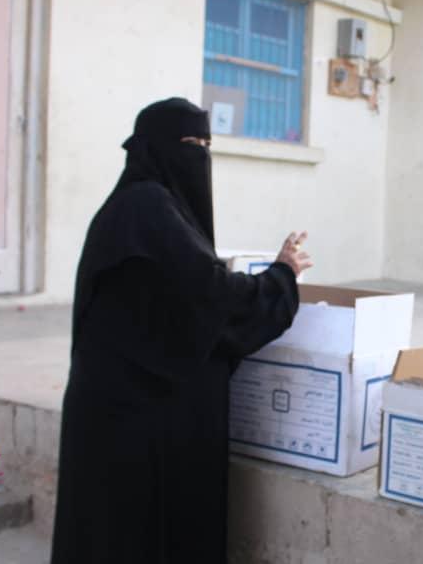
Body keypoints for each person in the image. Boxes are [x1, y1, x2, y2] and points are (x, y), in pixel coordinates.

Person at [51, 98, 312, 563]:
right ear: (156, 148)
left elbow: (183, 296)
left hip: (123, 412)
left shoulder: (136, 207)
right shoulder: (148, 207)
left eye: (208, 145)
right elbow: (211, 297)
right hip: (135, 423)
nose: (201, 156)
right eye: (192, 144)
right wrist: (281, 277)